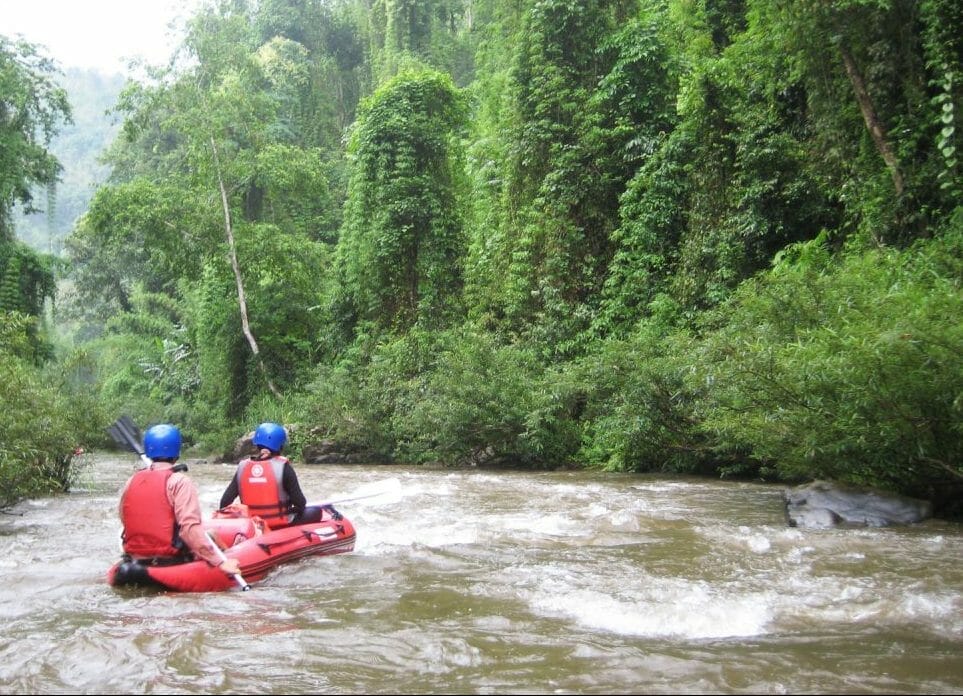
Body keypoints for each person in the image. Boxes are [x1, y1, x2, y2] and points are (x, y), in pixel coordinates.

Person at [118, 423, 241, 577]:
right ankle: (228, 555)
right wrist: (221, 562)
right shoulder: (180, 481)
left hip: (134, 558)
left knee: (208, 534)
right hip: (170, 560)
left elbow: (125, 518)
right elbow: (189, 529)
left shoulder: (132, 480)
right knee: (211, 535)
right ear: (177, 451)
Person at [219, 422, 324, 529]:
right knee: (316, 511)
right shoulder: (283, 467)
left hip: (253, 525)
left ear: (257, 444)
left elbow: (224, 502)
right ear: (280, 445)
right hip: (280, 524)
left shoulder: (242, 467)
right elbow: (300, 503)